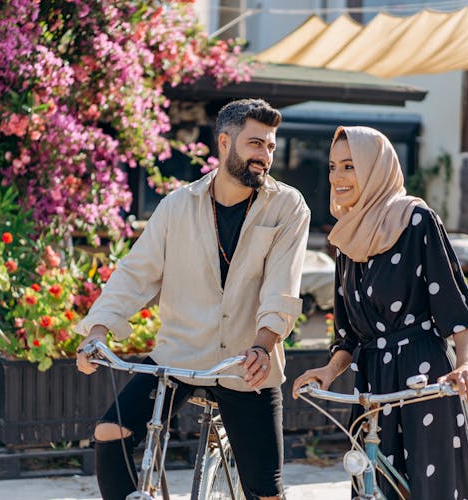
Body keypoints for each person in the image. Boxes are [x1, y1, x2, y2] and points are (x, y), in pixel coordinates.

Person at [76, 98, 310, 500]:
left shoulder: (288, 206)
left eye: (270, 147)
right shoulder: (177, 206)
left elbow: (281, 288)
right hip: (178, 357)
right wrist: (97, 333)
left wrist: (263, 345)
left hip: (246, 362)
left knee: (266, 491)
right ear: (224, 142)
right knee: (110, 432)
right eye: (256, 144)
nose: (265, 156)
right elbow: (135, 274)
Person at [292, 126, 468, 499]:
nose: (337, 177)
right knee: (373, 484)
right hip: (372, 382)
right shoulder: (346, 237)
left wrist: (466, 365)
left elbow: (455, 306)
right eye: (333, 167)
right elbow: (349, 332)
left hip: (423, 379)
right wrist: (328, 372)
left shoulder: (416, 221)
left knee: (431, 488)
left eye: (349, 166)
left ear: (375, 167)